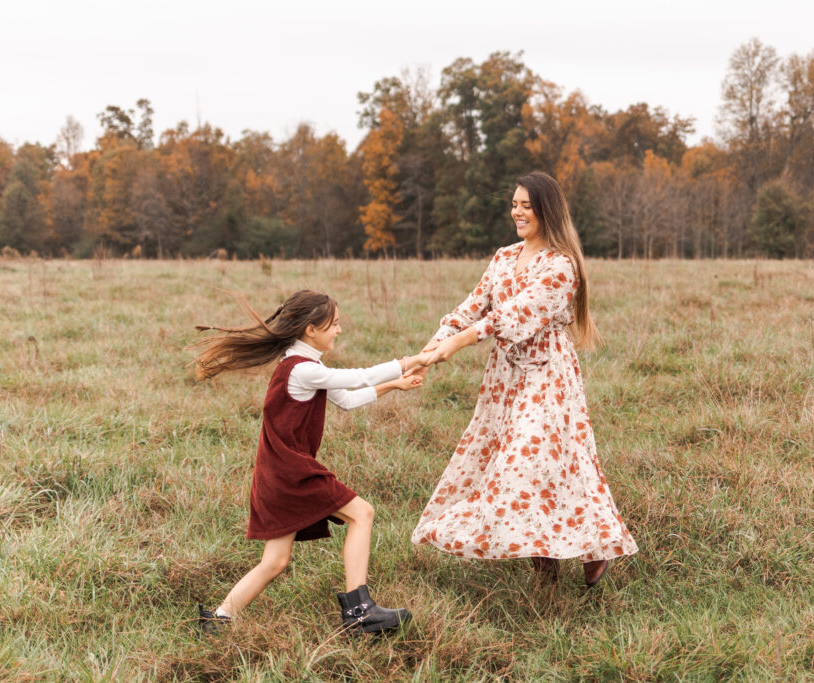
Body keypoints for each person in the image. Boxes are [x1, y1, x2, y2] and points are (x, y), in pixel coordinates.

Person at [411, 171, 638, 586]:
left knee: (526, 464)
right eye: (514, 204)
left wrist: (459, 343)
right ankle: (545, 558)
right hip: (505, 378)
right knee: (528, 466)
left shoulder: (561, 265)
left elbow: (515, 315)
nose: (517, 212)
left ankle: (592, 543)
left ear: (546, 210)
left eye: (526, 205)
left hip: (547, 374)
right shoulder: (502, 257)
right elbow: (470, 308)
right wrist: (428, 353)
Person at [192, 289, 433, 635]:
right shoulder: (301, 370)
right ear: (311, 329)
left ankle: (218, 620)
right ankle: (360, 612)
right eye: (333, 324)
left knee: (274, 561)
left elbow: (347, 400)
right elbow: (358, 377)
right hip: (292, 474)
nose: (339, 330)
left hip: (276, 475)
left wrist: (395, 385)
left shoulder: (305, 364)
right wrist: (408, 360)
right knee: (362, 513)